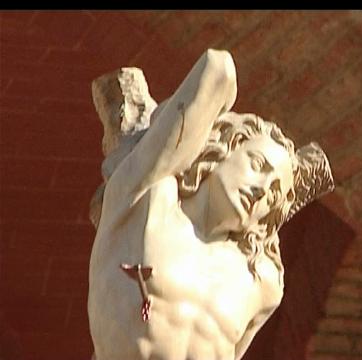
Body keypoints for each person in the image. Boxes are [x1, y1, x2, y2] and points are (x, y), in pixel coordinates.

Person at [88, 49, 333, 360]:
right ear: (222, 150)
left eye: (274, 193)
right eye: (257, 164)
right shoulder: (148, 199)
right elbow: (218, 69)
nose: (261, 190)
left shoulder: (260, 281)